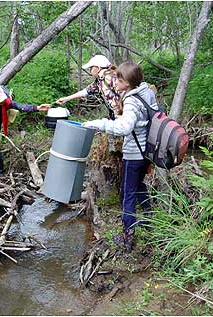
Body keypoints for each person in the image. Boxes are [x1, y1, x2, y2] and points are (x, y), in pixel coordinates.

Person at [82, 62, 157, 251]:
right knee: (139, 185)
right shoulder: (146, 91)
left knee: (127, 194)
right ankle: (148, 219)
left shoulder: (131, 101)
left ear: (129, 82)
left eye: (119, 79)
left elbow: (124, 128)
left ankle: (127, 237)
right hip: (147, 149)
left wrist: (99, 123)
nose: (115, 81)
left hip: (134, 154)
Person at [56, 54, 120, 120]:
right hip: (117, 116)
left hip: (124, 116)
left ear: (98, 68)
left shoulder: (110, 78)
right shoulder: (100, 81)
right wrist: (66, 99)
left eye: (91, 68)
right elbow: (85, 91)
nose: (90, 70)